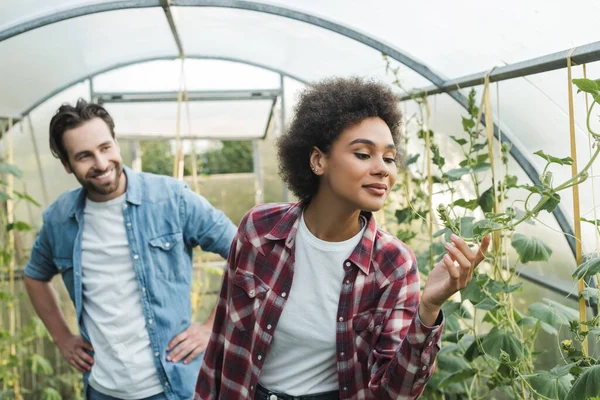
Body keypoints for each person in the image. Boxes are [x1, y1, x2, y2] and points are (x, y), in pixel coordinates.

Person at [195, 77, 491, 400]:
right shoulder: (259, 232)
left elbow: (394, 393)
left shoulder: (393, 264)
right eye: (363, 154)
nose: (382, 169)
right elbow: (221, 345)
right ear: (318, 160)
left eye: (389, 158)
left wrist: (429, 308)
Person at [24, 99, 236, 400]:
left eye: (105, 147)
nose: (100, 163)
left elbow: (245, 254)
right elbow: (34, 276)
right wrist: (62, 338)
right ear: (67, 165)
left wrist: (211, 327)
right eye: (84, 156)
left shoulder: (171, 199)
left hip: (173, 386)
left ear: (116, 142)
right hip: (102, 389)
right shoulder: (59, 220)